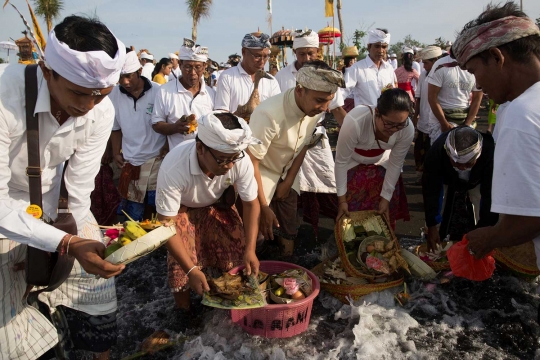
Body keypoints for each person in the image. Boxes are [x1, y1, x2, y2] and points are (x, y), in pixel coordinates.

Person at [0, 15, 125, 360]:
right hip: (5, 209)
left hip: (56, 209)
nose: (87, 107)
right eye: (78, 93)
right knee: (10, 333)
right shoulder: (3, 97)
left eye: (99, 96)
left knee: (98, 295)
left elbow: (79, 191)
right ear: (46, 70)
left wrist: (67, 245)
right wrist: (60, 243)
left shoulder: (100, 112)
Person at [449, 3, 540, 269]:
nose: (477, 85)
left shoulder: (521, 115)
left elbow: (530, 218)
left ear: (497, 57)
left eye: (475, 71)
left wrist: (490, 237)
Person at [156, 111, 261, 309]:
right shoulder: (174, 167)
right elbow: (165, 224)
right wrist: (191, 270)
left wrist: (251, 249)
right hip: (181, 210)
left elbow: (251, 204)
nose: (229, 165)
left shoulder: (239, 159)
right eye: (222, 160)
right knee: (181, 266)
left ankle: (228, 300)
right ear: (200, 148)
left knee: (237, 256)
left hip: (216, 205)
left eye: (233, 159)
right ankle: (184, 312)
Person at [247, 61, 345, 256]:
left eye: (329, 100)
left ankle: (287, 269)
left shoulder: (313, 110)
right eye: (319, 100)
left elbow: (303, 145)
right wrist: (264, 206)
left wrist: (289, 180)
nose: (325, 108)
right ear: (300, 90)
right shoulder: (269, 114)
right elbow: (251, 163)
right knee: (255, 233)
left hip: (288, 171)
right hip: (260, 174)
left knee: (289, 227)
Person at [335, 89, 413, 229]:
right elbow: (341, 161)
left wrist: (385, 198)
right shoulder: (355, 121)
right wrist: (342, 201)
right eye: (389, 123)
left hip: (381, 161)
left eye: (400, 124)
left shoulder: (407, 129)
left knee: (382, 212)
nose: (394, 129)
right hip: (352, 162)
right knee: (350, 214)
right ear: (377, 112)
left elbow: (395, 163)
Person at [109, 50, 167, 222]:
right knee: (133, 213)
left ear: (139, 72)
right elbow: (115, 127)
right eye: (121, 77)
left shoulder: (158, 91)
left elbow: (166, 123)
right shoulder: (115, 94)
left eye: (128, 76)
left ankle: (162, 247)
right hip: (131, 160)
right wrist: (115, 152)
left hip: (157, 159)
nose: (124, 82)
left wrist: (167, 146)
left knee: (157, 208)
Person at [423, 127, 498, 251]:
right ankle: (438, 242)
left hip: (478, 181)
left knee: (481, 207)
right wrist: (432, 225)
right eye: (457, 163)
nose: (462, 168)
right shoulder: (436, 153)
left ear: (478, 156)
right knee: (439, 212)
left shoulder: (490, 153)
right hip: (447, 178)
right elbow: (431, 191)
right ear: (448, 154)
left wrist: (485, 231)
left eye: (468, 164)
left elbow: (489, 195)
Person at [152, 38, 215, 150]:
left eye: (198, 67)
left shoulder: (211, 94)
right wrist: (174, 128)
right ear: (180, 65)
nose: (193, 73)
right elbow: (156, 124)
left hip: (206, 160)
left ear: (204, 66)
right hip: (177, 159)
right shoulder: (164, 92)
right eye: (188, 67)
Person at [426, 45, 483, 144]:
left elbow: (478, 98)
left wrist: (467, 124)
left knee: (464, 155)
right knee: (441, 155)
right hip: (440, 122)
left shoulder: (474, 64)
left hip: (464, 119)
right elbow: (432, 97)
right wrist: (444, 123)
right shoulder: (441, 65)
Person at [214, 32, 280, 115]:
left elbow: (277, 113)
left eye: (266, 56)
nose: (262, 62)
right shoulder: (227, 77)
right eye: (257, 56)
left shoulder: (271, 81)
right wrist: (240, 114)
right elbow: (221, 116)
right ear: (244, 52)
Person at [344, 28, 397, 107]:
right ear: (369, 47)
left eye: (384, 47)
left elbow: (392, 92)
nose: (381, 50)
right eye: (377, 46)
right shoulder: (357, 68)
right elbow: (342, 92)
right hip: (364, 118)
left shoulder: (389, 69)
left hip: (385, 117)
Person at [412, 46, 443, 182]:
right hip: (423, 120)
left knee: (434, 152)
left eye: (426, 63)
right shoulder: (424, 75)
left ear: (436, 60)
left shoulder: (442, 73)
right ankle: (422, 176)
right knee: (420, 150)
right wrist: (415, 116)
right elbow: (418, 97)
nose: (424, 66)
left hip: (436, 121)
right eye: (423, 63)